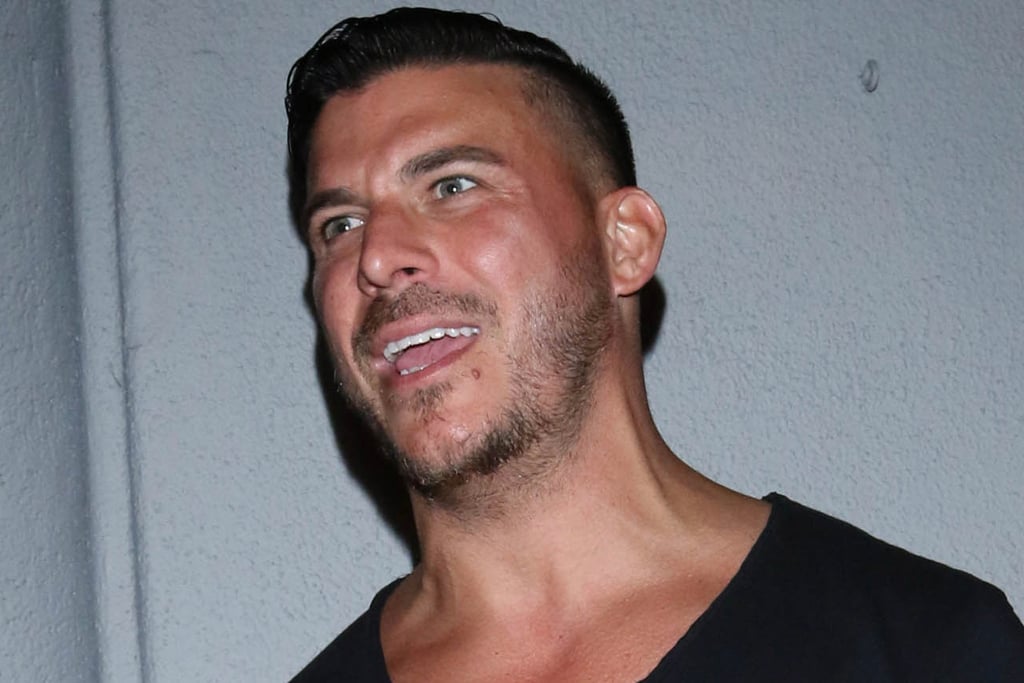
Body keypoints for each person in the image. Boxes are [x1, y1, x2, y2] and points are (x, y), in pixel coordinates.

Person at [285, 8, 1024, 681]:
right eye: (339, 226)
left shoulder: (927, 647)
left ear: (624, 242)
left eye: (452, 186)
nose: (375, 256)